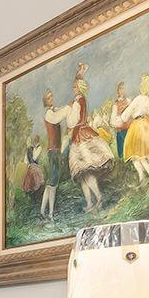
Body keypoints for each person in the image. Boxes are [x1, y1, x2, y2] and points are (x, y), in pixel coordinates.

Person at [66, 76, 115, 212]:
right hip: (81, 134)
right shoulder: (81, 100)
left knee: (85, 172)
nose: (73, 88)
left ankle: (98, 198)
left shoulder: (77, 102)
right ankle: (89, 203)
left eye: (75, 86)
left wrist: (69, 110)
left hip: (80, 136)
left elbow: (71, 122)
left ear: (79, 88)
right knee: (82, 174)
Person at [115, 72, 149, 182]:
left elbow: (125, 116)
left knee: (136, 156)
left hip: (137, 127)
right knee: (141, 156)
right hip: (147, 126)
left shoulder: (138, 98)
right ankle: (146, 178)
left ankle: (147, 177)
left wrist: (123, 117)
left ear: (141, 86)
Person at [40, 89, 68, 220]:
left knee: (51, 183)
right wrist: (69, 107)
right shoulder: (49, 114)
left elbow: (59, 112)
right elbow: (58, 117)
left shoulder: (53, 111)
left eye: (52, 96)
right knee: (53, 184)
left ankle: (42, 210)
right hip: (53, 152)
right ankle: (50, 213)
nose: (52, 98)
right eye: (49, 98)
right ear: (46, 101)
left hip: (55, 151)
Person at [111, 80, 131, 159]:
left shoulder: (128, 101)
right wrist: (117, 124)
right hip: (120, 130)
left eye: (122, 88)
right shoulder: (115, 104)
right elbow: (112, 119)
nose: (121, 90)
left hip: (128, 128)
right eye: (119, 89)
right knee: (121, 150)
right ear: (117, 91)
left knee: (129, 147)